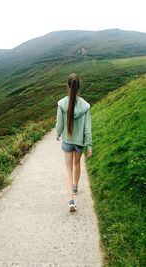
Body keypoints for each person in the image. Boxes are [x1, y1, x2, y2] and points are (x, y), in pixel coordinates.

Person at [56, 73, 92, 212]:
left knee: (68, 168)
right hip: (79, 143)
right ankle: (76, 186)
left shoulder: (62, 103)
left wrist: (58, 134)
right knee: (77, 164)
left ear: (68, 86)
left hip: (67, 141)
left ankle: (71, 200)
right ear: (78, 88)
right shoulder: (85, 106)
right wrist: (90, 145)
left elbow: (59, 124)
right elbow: (88, 128)